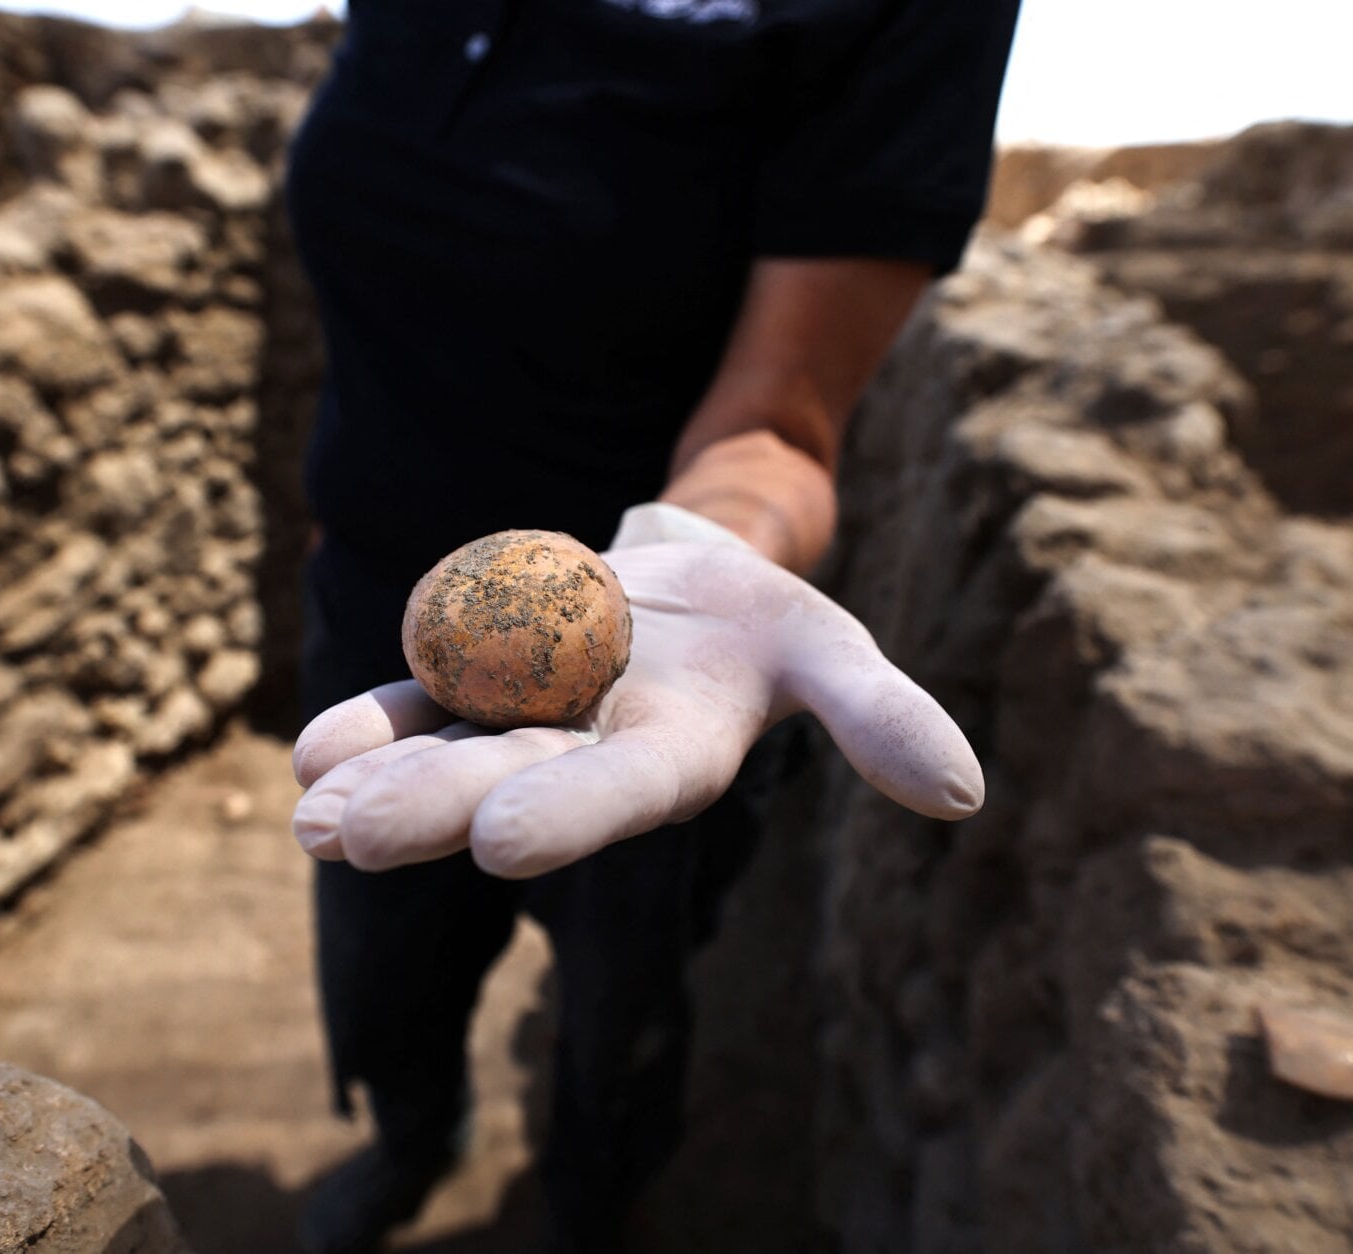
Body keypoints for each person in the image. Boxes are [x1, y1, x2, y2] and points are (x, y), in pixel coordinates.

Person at [281, 2, 1020, 1249]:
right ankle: (412, 1142)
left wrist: (699, 543)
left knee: (621, 1012)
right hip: (370, 617)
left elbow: (777, 422)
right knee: (379, 961)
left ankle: (591, 1208)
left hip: (662, 656)